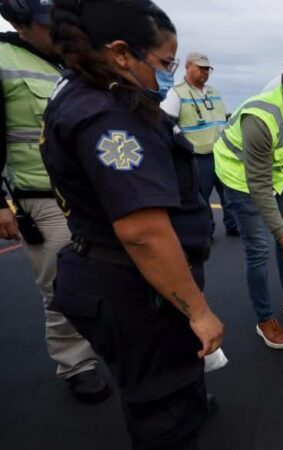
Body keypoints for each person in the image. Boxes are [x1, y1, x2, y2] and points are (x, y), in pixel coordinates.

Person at [42, 1, 224, 448]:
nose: (167, 73)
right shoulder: (112, 114)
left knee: (167, 383)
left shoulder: (78, 92)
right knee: (161, 405)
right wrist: (198, 312)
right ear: (122, 53)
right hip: (134, 289)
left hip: (113, 275)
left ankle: (187, 402)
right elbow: (142, 232)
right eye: (164, 63)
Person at [0, 0, 109, 403]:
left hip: (88, 195)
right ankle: (75, 363)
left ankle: (102, 345)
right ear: (20, 24)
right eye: (49, 26)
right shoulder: (4, 59)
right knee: (61, 284)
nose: (59, 33)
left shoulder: (68, 65)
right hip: (40, 196)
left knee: (103, 275)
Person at [214, 57, 283, 349]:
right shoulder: (261, 119)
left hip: (277, 179)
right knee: (259, 249)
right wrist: (281, 235)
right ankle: (264, 318)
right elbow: (258, 184)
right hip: (241, 180)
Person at [161, 51, 238, 238]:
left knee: (229, 194)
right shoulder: (176, 92)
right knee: (201, 198)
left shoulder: (213, 92)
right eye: (200, 68)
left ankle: (233, 225)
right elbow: (165, 121)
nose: (205, 73)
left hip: (221, 153)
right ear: (187, 67)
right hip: (198, 156)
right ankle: (206, 231)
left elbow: (222, 119)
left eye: (207, 69)